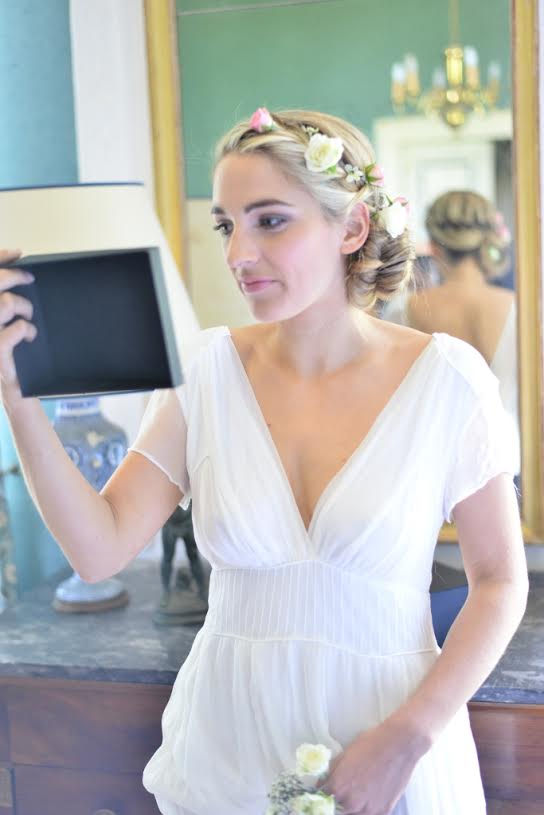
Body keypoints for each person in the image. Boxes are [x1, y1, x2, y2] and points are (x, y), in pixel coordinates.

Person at [0, 108, 527, 815]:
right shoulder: (204, 374)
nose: (238, 253)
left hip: (389, 743)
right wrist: (16, 398)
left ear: (352, 227)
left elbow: (499, 582)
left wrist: (409, 737)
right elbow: (98, 551)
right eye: (226, 225)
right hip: (229, 746)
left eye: (270, 221)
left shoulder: (448, 381)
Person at [382, 190, 520, 476]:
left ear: (433, 245)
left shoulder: (404, 308)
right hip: (508, 459)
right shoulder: (522, 310)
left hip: (431, 462)